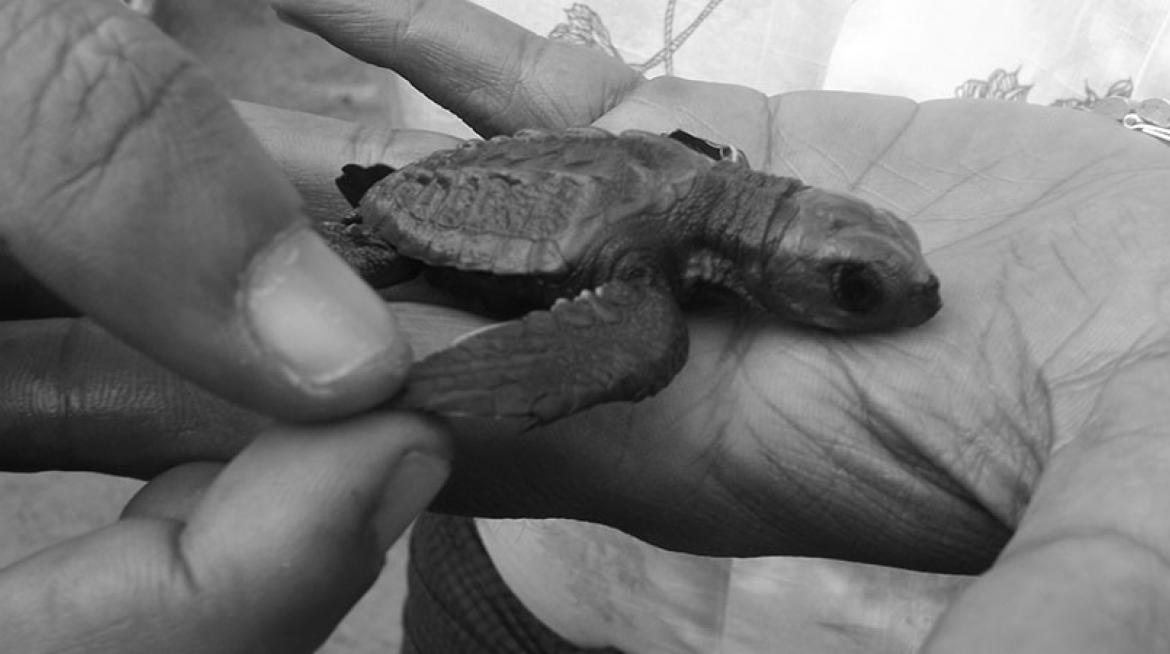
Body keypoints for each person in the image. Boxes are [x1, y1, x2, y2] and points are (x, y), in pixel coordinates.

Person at [3, 1, 1170, 653]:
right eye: (861, 288)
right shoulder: (657, 289)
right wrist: (442, 382)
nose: (912, 299)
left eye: (871, 279)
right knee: (624, 350)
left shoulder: (707, 181)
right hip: (439, 276)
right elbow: (617, 249)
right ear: (772, 254)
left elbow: (661, 161)